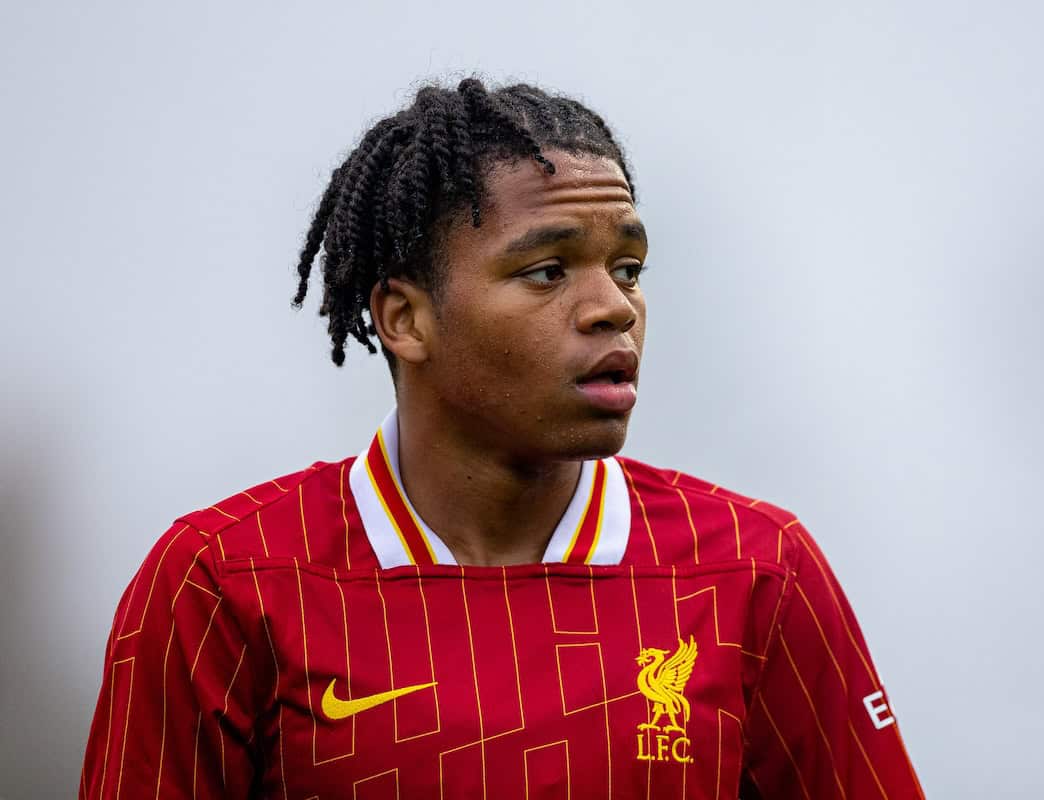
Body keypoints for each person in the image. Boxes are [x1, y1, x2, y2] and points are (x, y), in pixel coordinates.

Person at [79, 78, 924, 799]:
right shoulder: (226, 583)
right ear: (405, 319)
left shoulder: (754, 570)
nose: (613, 307)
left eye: (627, 268)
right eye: (547, 271)